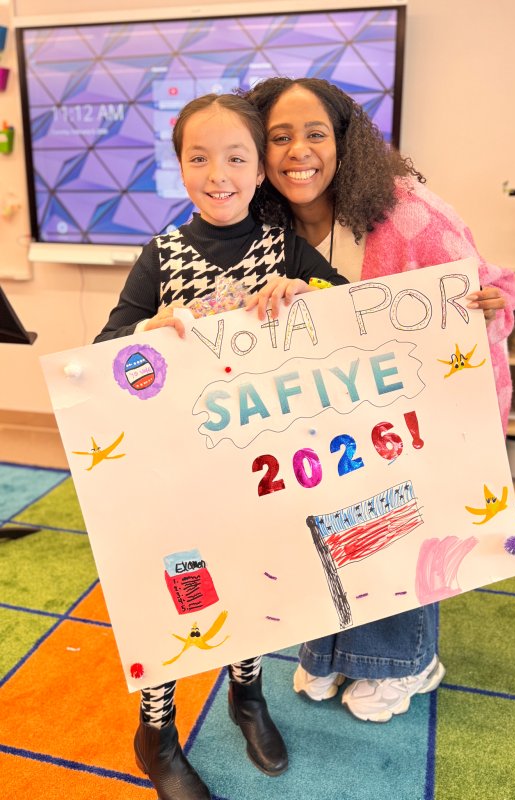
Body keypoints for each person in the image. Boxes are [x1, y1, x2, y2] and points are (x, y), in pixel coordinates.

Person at [94, 92, 347, 799]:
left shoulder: (283, 245)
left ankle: (248, 695)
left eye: (236, 156)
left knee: (256, 578)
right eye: (198, 157)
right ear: (178, 167)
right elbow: (103, 349)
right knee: (174, 594)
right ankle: (158, 729)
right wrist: (150, 329)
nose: (218, 173)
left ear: (260, 168)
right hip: (176, 471)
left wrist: (305, 290)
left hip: (259, 466)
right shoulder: (163, 253)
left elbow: (355, 313)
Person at [244, 76, 515, 723]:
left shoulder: (408, 212)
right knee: (330, 526)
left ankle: (408, 662)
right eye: (277, 137)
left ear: (346, 142)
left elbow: (485, 288)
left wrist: (486, 309)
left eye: (315, 134)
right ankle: (334, 650)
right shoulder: (262, 223)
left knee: (399, 527)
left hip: (416, 411)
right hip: (325, 413)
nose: (295, 151)